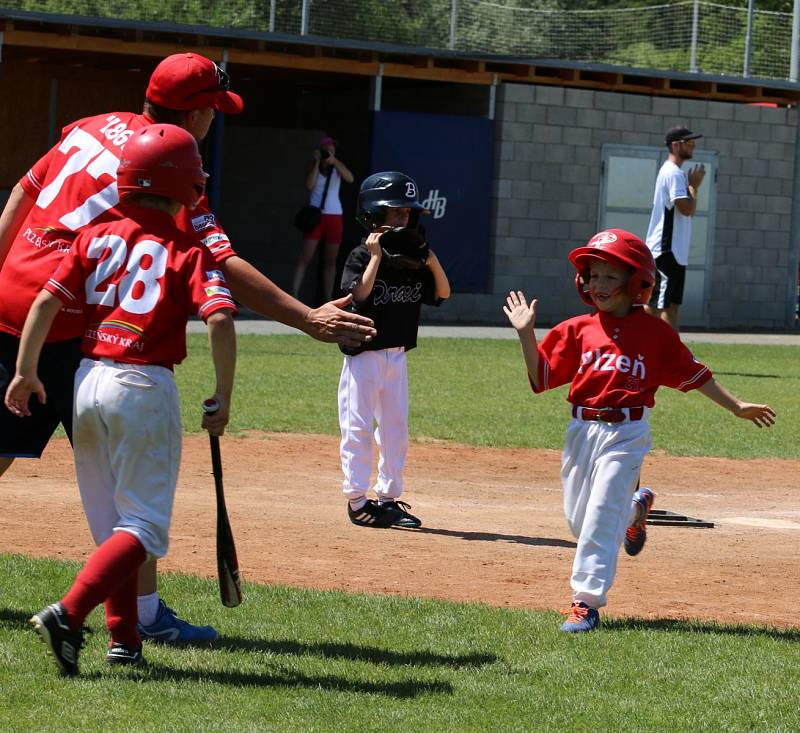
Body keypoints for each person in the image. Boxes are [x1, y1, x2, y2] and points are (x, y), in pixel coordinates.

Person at [0, 52, 374, 645]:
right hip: (85, 333)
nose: (213, 123)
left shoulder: (91, 126)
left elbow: (21, 199)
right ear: (196, 113)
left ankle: (129, 626)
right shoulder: (166, 167)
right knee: (135, 496)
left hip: (15, 306)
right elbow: (220, 265)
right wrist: (308, 318)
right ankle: (140, 619)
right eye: (214, 112)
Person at [4, 124, 237, 674]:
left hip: (85, 381)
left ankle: (123, 639)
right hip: (143, 386)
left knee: (113, 526)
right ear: (188, 186)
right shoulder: (188, 247)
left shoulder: (92, 235)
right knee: (144, 528)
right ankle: (69, 611)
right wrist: (223, 393)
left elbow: (44, 303)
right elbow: (222, 318)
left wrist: (25, 372)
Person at [503, 228, 775, 633]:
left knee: (598, 517)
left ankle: (585, 603)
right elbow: (542, 376)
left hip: (627, 433)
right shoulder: (577, 328)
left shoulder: (656, 334)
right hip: (581, 430)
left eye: (610, 277)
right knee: (580, 522)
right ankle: (636, 509)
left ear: (638, 284)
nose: (598, 284)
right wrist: (526, 334)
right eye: (593, 275)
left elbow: (695, 375)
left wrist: (736, 406)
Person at [338, 171, 450, 529]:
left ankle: (388, 498)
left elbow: (443, 294)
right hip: (365, 355)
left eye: (408, 213)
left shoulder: (413, 259)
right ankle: (358, 502)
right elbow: (360, 296)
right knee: (356, 427)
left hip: (397, 354)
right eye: (397, 212)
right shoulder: (360, 254)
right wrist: (374, 256)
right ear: (374, 214)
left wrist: (429, 258)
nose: (405, 219)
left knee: (395, 430)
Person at [644, 125, 706, 331]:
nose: (693, 146)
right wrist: (694, 187)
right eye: (689, 143)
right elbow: (687, 208)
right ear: (676, 145)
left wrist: (691, 188)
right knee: (654, 307)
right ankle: (634, 347)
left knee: (671, 308)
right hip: (665, 251)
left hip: (675, 253)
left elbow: (686, 210)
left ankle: (668, 356)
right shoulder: (673, 174)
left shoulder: (675, 173)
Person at [291, 136, 354, 302]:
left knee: (330, 260)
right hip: (316, 216)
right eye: (327, 150)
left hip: (335, 215)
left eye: (332, 149)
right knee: (306, 256)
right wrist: (318, 162)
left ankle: (328, 298)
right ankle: (294, 294)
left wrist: (335, 161)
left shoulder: (337, 169)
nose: (329, 152)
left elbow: (350, 178)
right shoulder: (315, 166)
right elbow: (309, 185)